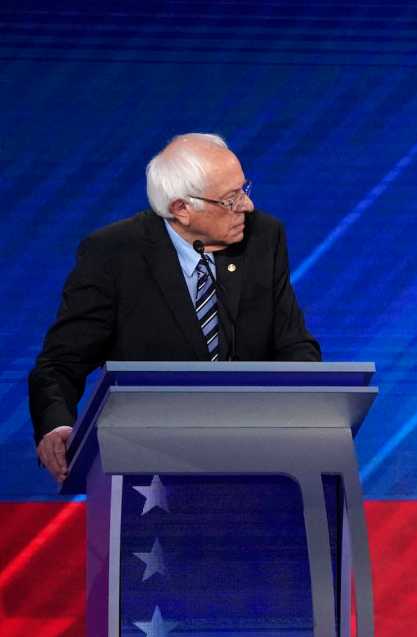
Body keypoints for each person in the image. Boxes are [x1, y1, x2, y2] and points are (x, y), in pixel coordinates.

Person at [28, 133, 321, 483]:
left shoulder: (263, 237)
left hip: (255, 454)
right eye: (231, 199)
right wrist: (58, 425)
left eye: (245, 189)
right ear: (181, 208)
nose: (247, 206)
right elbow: (60, 364)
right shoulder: (114, 254)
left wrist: (309, 412)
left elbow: (294, 344)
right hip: (149, 465)